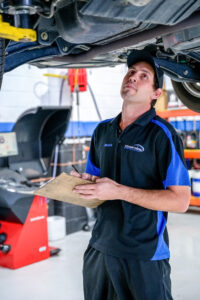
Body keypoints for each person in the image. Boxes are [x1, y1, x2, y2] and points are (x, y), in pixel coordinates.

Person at [71, 49, 191, 300]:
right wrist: (80, 186)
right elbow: (96, 185)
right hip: (99, 248)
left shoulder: (162, 135)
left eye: (144, 75)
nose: (133, 77)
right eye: (131, 72)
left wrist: (118, 191)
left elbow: (180, 201)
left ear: (156, 94)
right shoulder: (102, 131)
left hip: (143, 254)